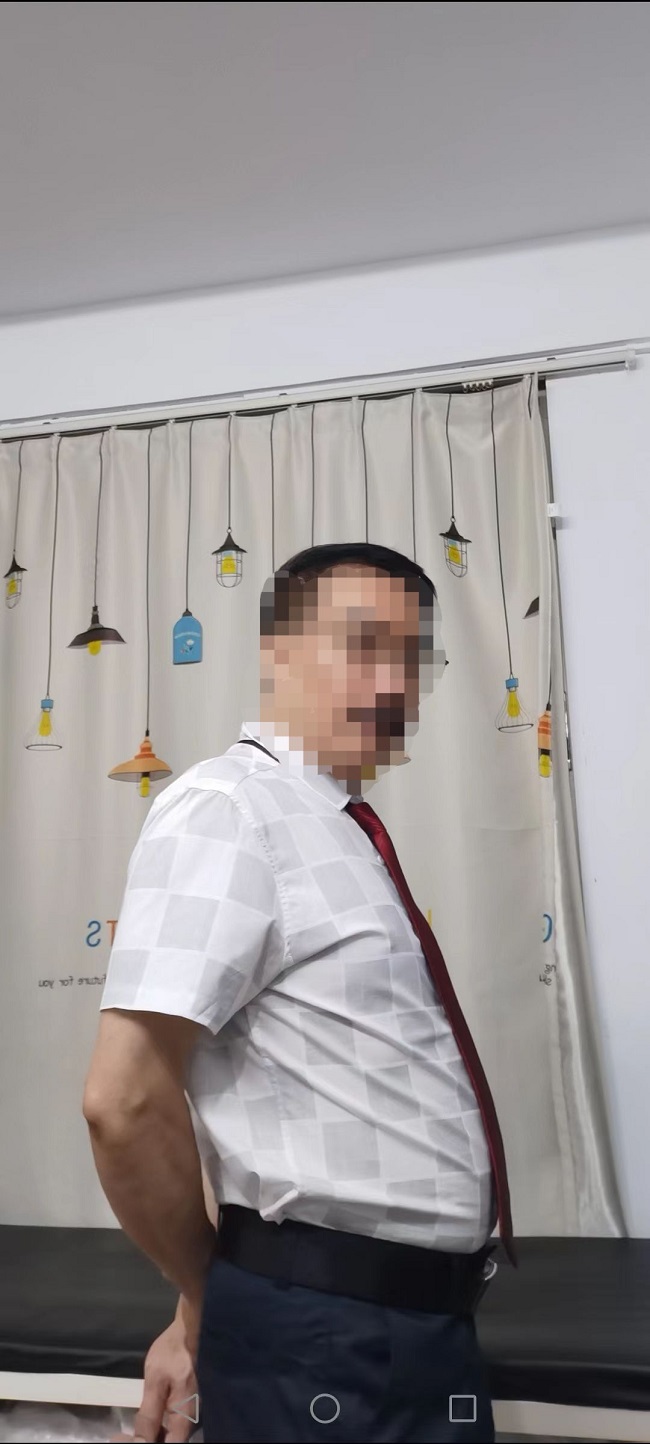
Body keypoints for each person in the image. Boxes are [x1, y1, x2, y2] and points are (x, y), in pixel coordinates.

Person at [83, 541, 514, 1444]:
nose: (392, 682)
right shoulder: (230, 808)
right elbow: (124, 1101)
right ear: (277, 651)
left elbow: (278, 1110)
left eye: (413, 657)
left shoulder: (336, 828)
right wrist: (208, 1301)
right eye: (362, 644)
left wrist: (196, 1312)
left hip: (407, 1329)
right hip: (330, 1337)